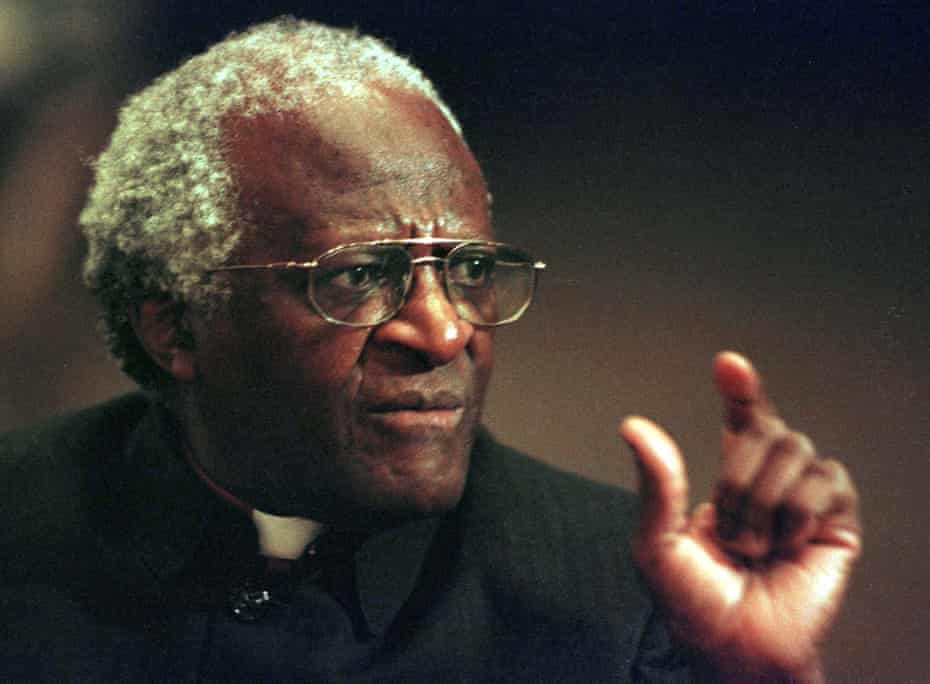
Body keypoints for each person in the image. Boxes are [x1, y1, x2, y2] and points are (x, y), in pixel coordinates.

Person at [0, 17, 860, 682]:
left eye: (471, 269)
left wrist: (761, 678)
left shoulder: (629, 594)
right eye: (357, 276)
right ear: (177, 327)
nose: (446, 332)